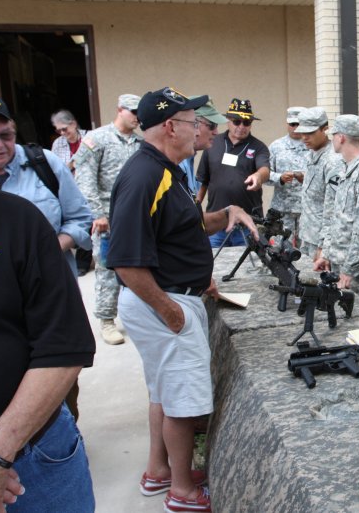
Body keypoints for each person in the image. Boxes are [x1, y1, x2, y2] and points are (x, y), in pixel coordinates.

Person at [107, 87, 258, 513]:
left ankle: (160, 470)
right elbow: (125, 261)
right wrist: (170, 311)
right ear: (171, 127)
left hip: (170, 297)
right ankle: (183, 492)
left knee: (163, 393)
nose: (200, 130)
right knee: (181, 403)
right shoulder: (145, 176)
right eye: (194, 123)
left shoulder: (165, 170)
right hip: (164, 302)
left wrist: (226, 214)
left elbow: (185, 226)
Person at [0, 105, 97, 513]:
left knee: (66, 395)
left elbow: (65, 345)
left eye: (5, 135)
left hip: (32, 459)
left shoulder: (23, 208)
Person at [0, 93, 92, 278]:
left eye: (5, 135)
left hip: (50, 278)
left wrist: (48, 250)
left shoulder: (45, 163)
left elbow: (80, 217)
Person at [72, 93, 142, 345]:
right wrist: (97, 214)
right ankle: (107, 320)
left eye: (140, 113)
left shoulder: (140, 143)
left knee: (139, 267)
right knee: (107, 269)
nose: (137, 117)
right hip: (108, 219)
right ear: (120, 109)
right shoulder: (97, 139)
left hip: (134, 218)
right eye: (133, 111)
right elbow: (85, 179)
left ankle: (138, 315)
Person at [313, 115, 359, 304]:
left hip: (358, 268)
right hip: (340, 261)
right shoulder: (345, 169)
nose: (331, 139)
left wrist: (349, 269)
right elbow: (336, 217)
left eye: (334, 135)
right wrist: (327, 254)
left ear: (341, 137)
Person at [196, 98, 269, 248]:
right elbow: (203, 181)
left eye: (246, 122)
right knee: (213, 260)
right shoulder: (213, 142)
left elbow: (265, 170)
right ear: (228, 121)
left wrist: (258, 176)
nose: (241, 126)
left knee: (246, 262)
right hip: (216, 222)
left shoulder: (259, 147)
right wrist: (195, 211)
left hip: (246, 224)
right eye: (237, 122)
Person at [296, 106, 342, 261]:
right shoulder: (312, 153)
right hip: (309, 235)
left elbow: (334, 208)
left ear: (325, 129)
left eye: (310, 133)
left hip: (323, 241)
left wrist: (324, 246)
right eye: (302, 133)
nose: (304, 137)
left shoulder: (333, 160)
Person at [50, 108, 93, 275]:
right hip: (69, 190)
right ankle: (81, 259)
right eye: (58, 130)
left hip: (89, 187)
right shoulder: (58, 144)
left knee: (90, 222)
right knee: (75, 223)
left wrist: (71, 166)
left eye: (64, 129)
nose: (62, 133)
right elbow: (56, 169)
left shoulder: (90, 137)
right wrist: (71, 165)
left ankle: (83, 261)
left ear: (73, 124)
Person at [265, 106, 307, 242]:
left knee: (306, 250)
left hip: (306, 210)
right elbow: (264, 174)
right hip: (282, 209)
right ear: (287, 124)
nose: (295, 128)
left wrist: (306, 177)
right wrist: (280, 178)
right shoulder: (276, 146)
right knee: (280, 248)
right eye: (292, 124)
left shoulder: (312, 146)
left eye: (298, 124)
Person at [179, 98, 227, 198]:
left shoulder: (187, 158)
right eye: (212, 125)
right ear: (194, 124)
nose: (216, 132)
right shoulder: (177, 162)